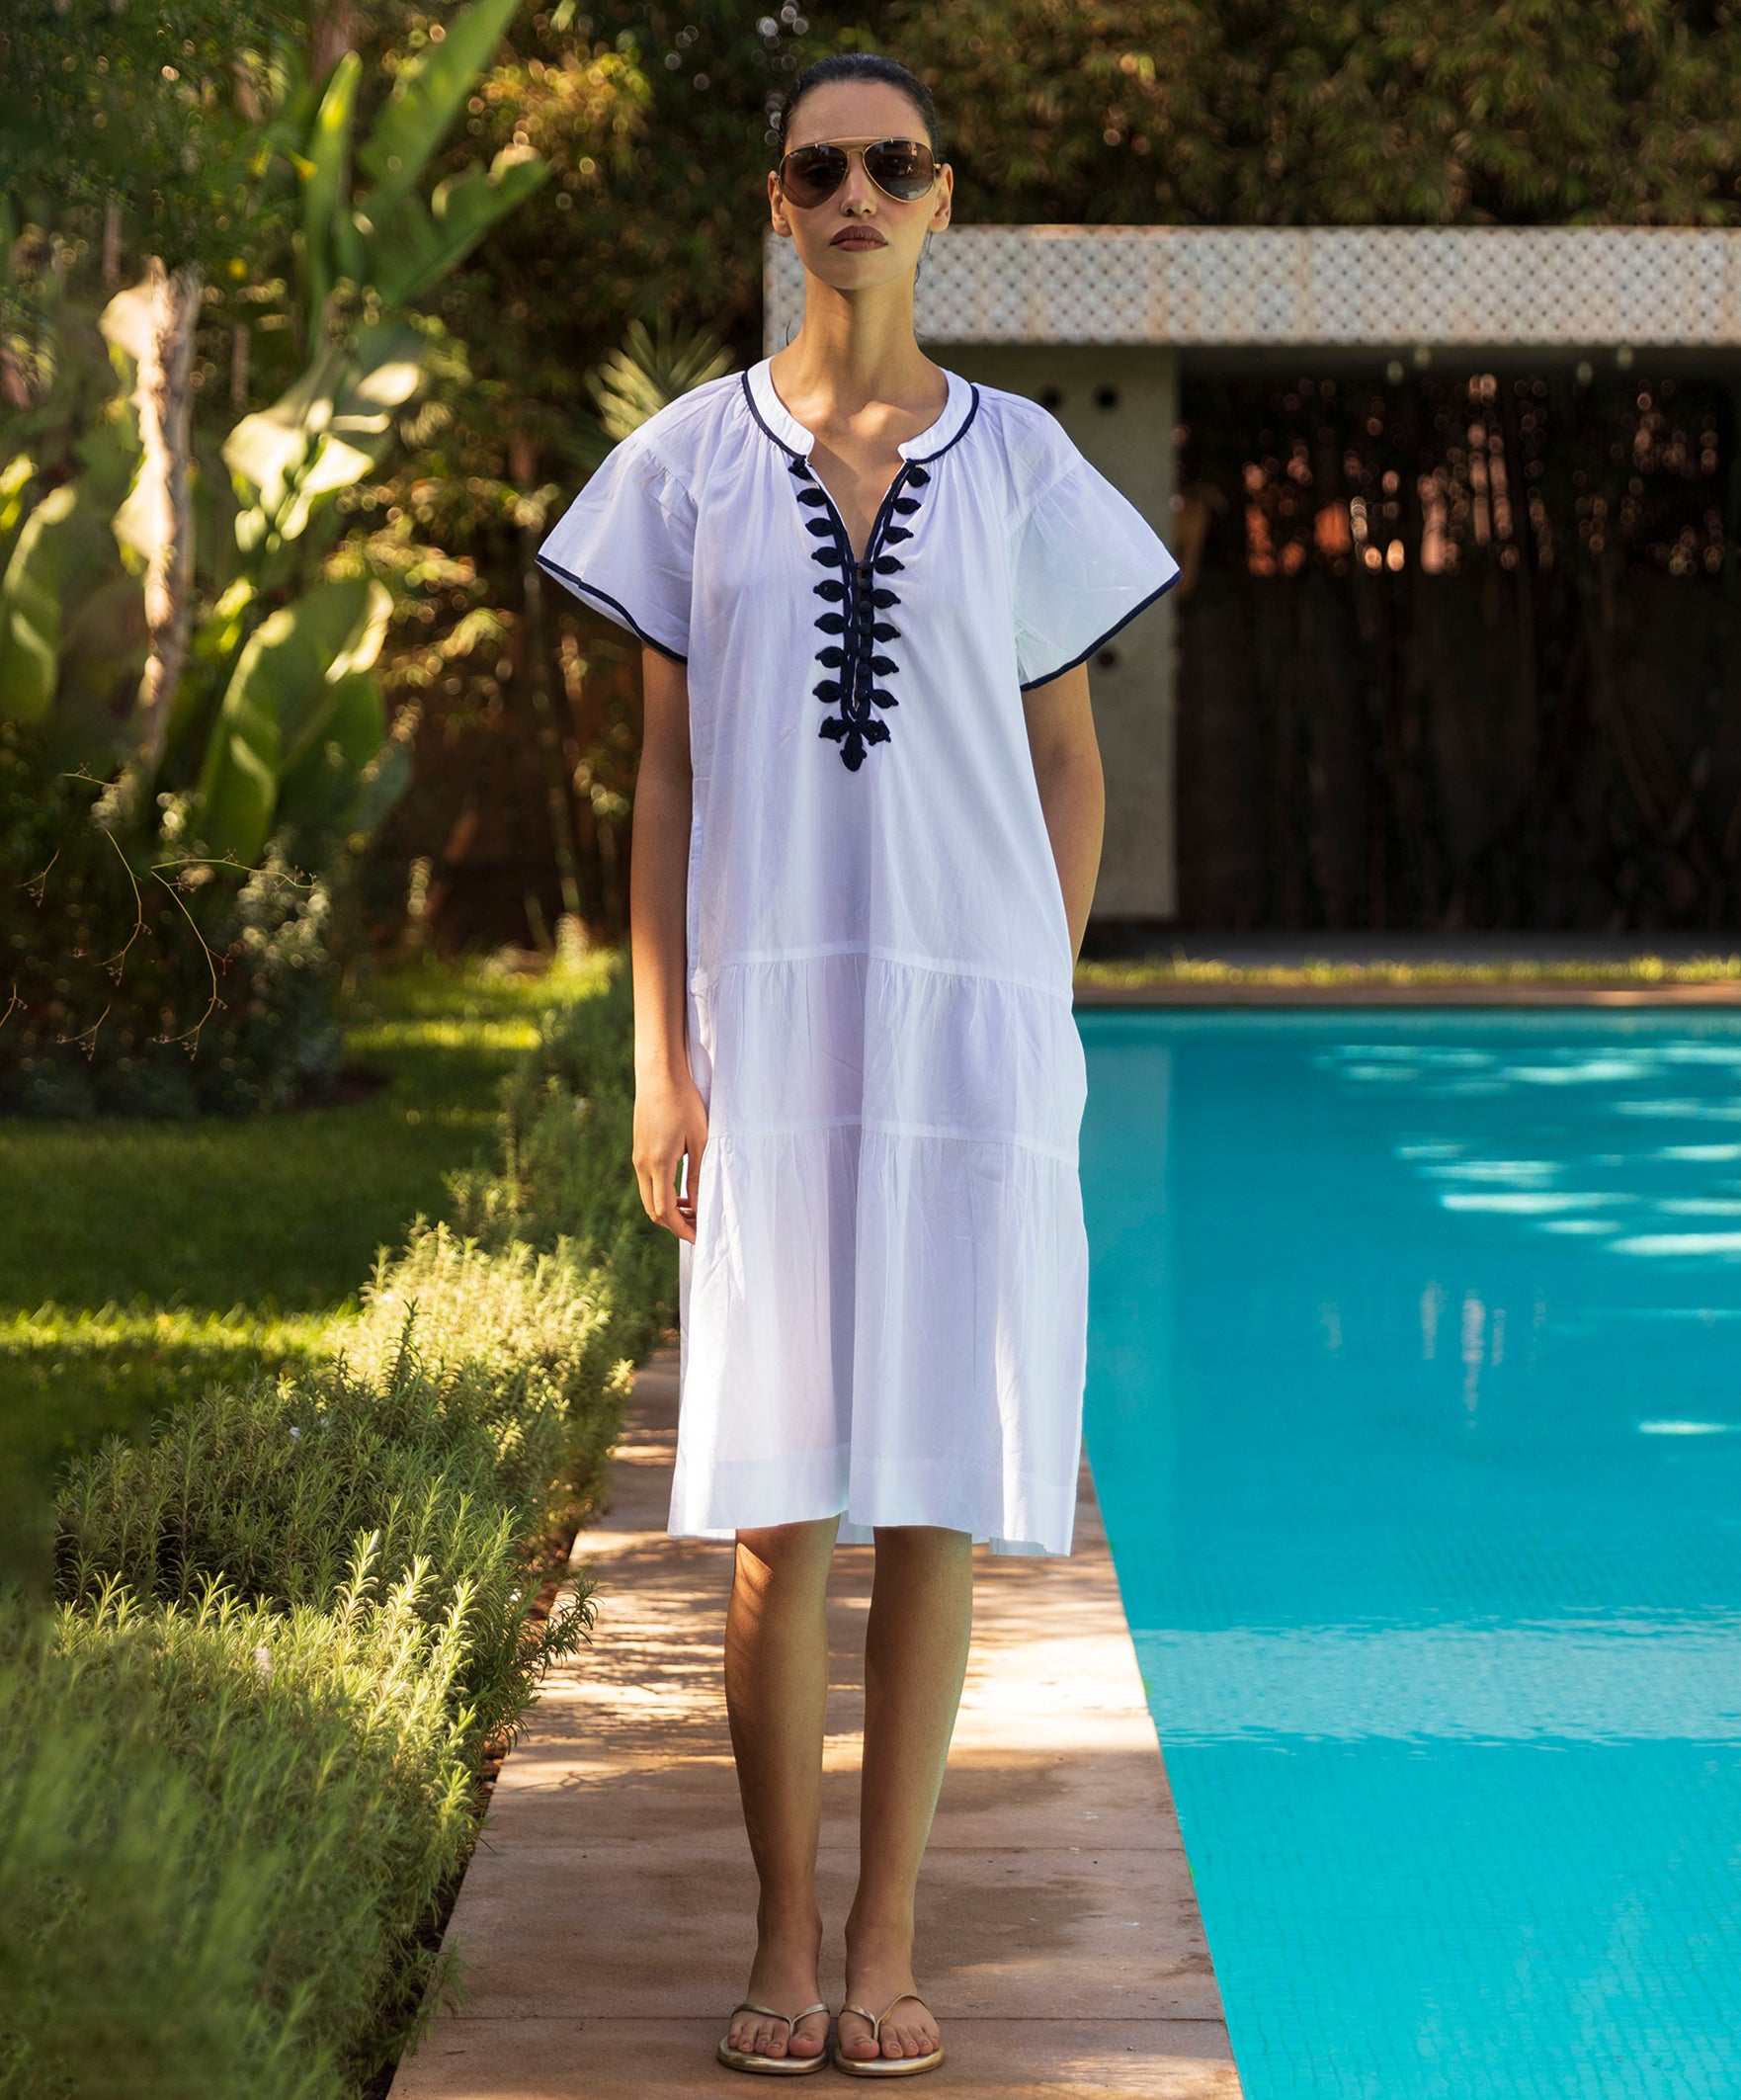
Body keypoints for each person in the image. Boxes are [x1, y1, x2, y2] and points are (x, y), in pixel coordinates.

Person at [536, 51, 1178, 2078]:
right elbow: (657, 784)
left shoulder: (1020, 464)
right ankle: (780, 1927)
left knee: (925, 1497)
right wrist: (661, 1063)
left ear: (940, 200)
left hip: (965, 1031)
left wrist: (1032, 1000)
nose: (856, 192)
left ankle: (887, 1934)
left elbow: (1065, 767)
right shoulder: (684, 464)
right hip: (768, 1024)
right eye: (820, 166)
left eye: (890, 164)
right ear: (776, 202)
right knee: (768, 1511)